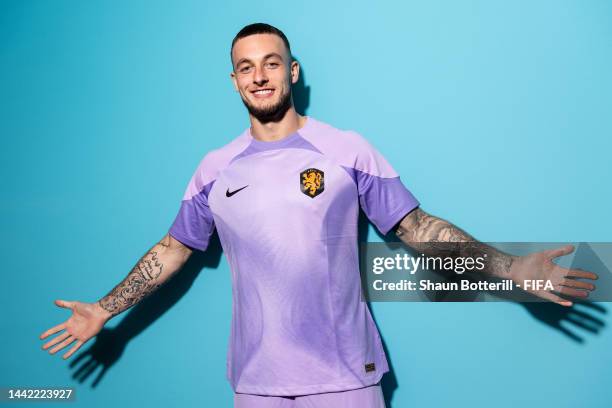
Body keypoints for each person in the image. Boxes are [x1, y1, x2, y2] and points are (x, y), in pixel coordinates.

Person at [40, 23, 598, 408]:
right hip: (255, 383)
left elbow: (418, 229)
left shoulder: (347, 149)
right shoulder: (213, 168)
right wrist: (104, 309)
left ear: (292, 71)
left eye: (271, 63)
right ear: (233, 81)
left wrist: (512, 270)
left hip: (345, 378)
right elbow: (174, 249)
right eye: (245, 68)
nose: (259, 76)